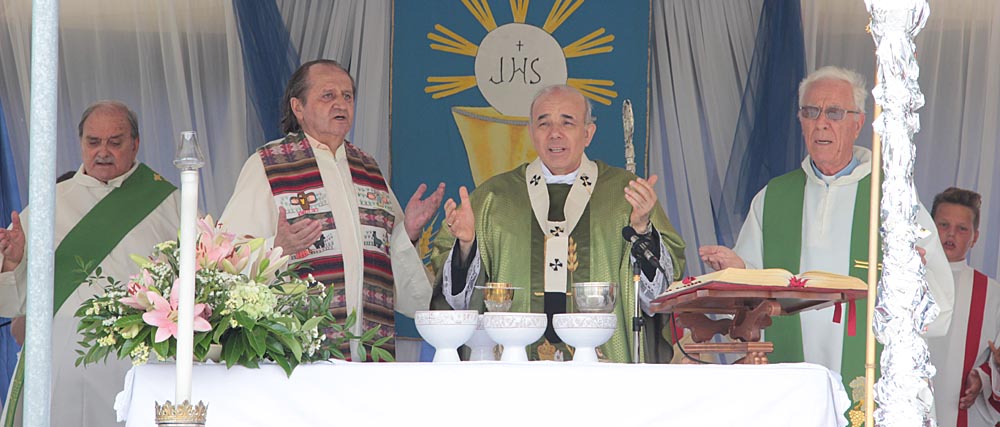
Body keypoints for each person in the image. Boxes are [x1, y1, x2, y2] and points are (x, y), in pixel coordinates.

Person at [699, 66, 953, 391]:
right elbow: (754, 286)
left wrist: (913, 276)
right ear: (801, 121)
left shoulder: (892, 197)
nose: (821, 122)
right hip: (790, 375)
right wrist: (738, 270)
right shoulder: (773, 197)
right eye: (811, 112)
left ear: (858, 123)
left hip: (869, 374)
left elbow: (939, 306)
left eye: (834, 112)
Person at [432, 84, 686, 362]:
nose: (555, 133)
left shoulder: (625, 195)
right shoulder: (494, 198)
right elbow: (456, 299)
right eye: (544, 123)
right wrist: (466, 246)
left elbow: (660, 293)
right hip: (514, 364)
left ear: (588, 133)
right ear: (531, 132)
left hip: (603, 364)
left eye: (567, 122)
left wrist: (642, 230)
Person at [221, 59, 443, 360]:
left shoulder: (368, 168)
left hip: (367, 346)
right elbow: (227, 255)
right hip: (298, 351)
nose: (341, 103)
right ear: (298, 107)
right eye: (328, 95)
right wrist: (277, 247)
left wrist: (409, 232)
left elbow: (387, 256)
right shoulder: (269, 164)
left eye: (347, 96)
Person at [0, 101, 183, 427]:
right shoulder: (49, 202)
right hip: (60, 365)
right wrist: (13, 262)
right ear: (81, 143)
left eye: (115, 142)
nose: (103, 152)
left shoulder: (168, 203)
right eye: (93, 142)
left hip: (136, 364)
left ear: (135, 144)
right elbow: (14, 304)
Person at [928, 187, 1000, 427]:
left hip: (963, 413)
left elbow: (996, 359)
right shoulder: (905, 282)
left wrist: (982, 379)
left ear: (975, 237)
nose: (951, 234)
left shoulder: (992, 294)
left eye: (962, 229)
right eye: (943, 225)